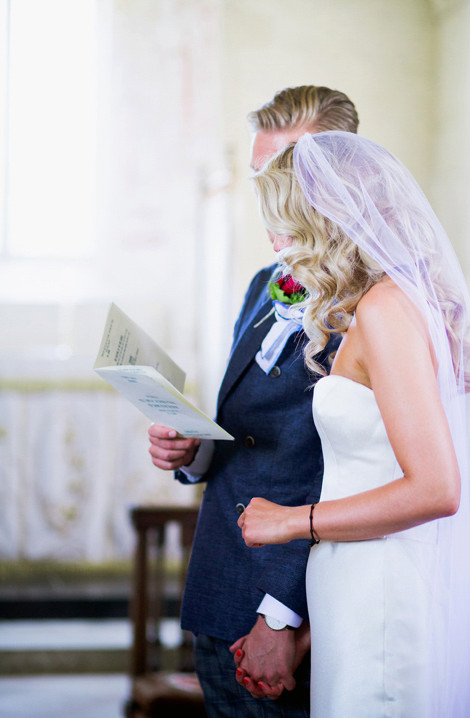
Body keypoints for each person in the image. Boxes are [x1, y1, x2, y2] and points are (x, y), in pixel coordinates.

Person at [238, 131, 470, 716]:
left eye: (284, 224)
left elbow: (437, 489)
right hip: (361, 587)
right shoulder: (388, 304)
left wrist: (291, 522)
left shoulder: (387, 310)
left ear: (326, 224)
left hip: (383, 592)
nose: (274, 243)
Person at [146, 86, 356, 714]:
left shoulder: (368, 303)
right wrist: (194, 450)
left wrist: (283, 615)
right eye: (261, 173)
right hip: (220, 576)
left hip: (287, 606)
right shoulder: (265, 284)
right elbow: (253, 428)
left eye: (288, 169)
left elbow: (338, 468)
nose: (272, 192)